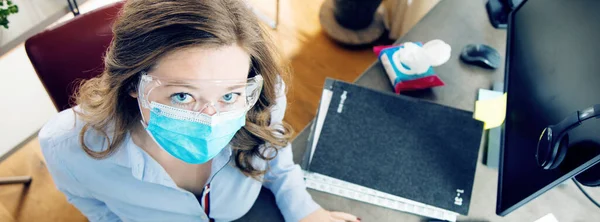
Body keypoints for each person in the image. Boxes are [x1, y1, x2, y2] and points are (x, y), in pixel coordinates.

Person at [39, 0, 359, 221]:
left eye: (229, 95)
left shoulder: (261, 96)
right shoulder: (66, 148)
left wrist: (302, 209)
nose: (210, 119)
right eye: (182, 96)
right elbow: (91, 203)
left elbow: (272, 150)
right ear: (132, 83)